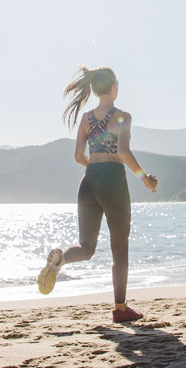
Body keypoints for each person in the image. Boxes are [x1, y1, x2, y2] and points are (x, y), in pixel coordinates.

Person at [37, 66, 158, 323]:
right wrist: (145, 179)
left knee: (86, 247)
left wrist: (95, 167)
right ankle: (120, 309)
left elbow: (78, 156)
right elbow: (123, 151)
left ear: (94, 88)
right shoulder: (122, 116)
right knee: (119, 248)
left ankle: (62, 259)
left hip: (88, 182)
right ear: (114, 87)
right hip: (112, 182)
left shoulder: (85, 118)